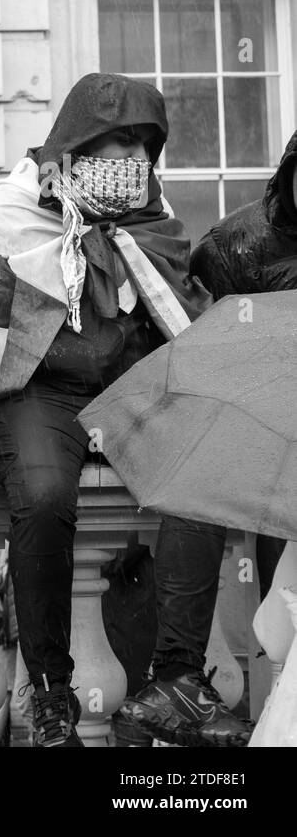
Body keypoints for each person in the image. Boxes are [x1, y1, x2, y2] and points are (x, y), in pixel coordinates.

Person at [0, 73, 213, 746]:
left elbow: (179, 322)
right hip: (40, 391)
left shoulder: (153, 222)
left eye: (146, 145)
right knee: (42, 496)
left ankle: (179, 678)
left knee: (200, 468)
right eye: (121, 141)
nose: (137, 158)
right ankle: (49, 692)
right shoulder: (4, 214)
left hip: (129, 388)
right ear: (77, 143)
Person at [117, 129, 297, 747]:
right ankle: (178, 674)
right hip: (247, 419)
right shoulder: (232, 245)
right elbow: (193, 348)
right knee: (206, 478)